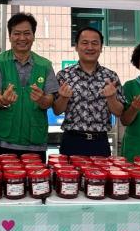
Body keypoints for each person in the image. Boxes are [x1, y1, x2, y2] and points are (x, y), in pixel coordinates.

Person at [0, 13, 58, 161]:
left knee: (36, 177)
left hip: (35, 142)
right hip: (2, 141)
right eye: (17, 33)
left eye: (27, 33)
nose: (22, 38)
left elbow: (50, 101)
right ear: (10, 36)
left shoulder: (45, 65)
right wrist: (3, 100)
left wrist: (41, 99)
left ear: (33, 36)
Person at [53, 27, 125, 156]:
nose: (90, 47)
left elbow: (119, 112)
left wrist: (111, 98)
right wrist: (63, 98)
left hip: (100, 142)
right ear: (76, 47)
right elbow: (57, 110)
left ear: (101, 48)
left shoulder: (111, 77)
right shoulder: (64, 75)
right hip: (71, 141)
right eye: (85, 43)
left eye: (95, 43)